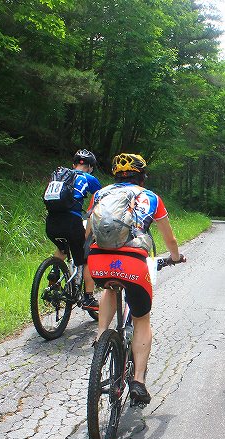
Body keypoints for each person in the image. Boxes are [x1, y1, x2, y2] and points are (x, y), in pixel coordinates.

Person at [87, 153, 185, 406]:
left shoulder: (101, 194)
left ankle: (101, 337)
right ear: (142, 176)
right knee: (142, 319)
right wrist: (175, 257)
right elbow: (170, 240)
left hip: (98, 261)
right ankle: (138, 381)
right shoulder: (151, 197)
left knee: (109, 288)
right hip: (132, 263)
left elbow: (88, 230)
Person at [45, 149, 102, 309]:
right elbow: (100, 199)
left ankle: (54, 276)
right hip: (71, 221)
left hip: (51, 222)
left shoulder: (60, 175)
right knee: (87, 258)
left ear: (74, 164)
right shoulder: (88, 178)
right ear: (90, 167)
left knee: (62, 249)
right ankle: (89, 298)